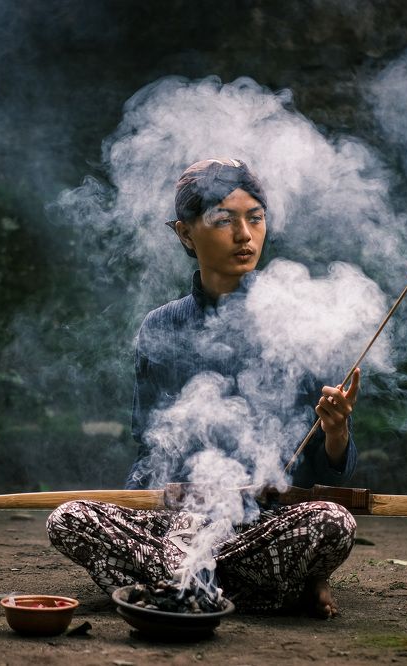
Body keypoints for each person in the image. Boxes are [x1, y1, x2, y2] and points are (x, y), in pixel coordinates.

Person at [47, 158, 360, 617]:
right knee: (70, 518)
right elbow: (147, 447)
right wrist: (148, 506)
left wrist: (336, 432)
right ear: (185, 234)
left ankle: (181, 584)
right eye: (223, 220)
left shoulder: (301, 325)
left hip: (261, 525)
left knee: (333, 522)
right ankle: (252, 588)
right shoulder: (161, 326)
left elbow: (333, 475)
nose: (244, 235)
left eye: (255, 218)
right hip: (178, 523)